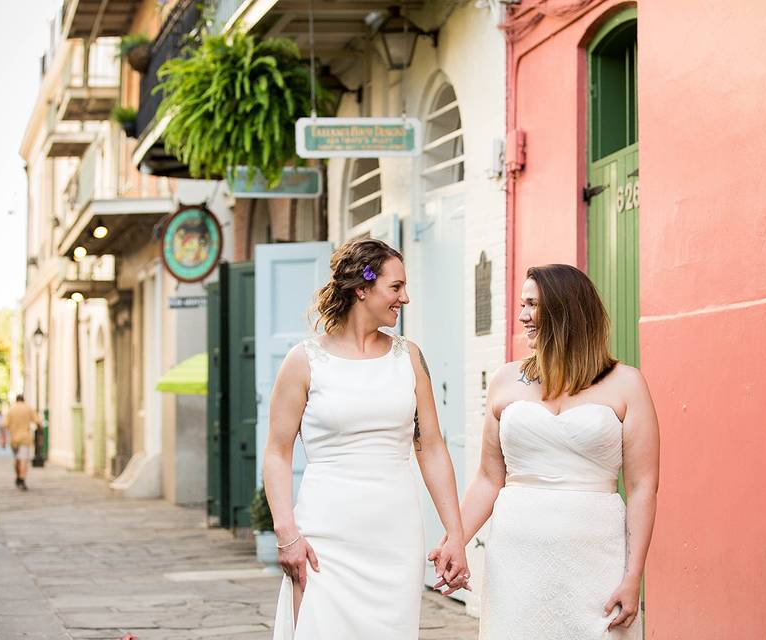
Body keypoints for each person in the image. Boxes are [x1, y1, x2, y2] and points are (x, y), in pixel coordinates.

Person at [431, 264, 659, 638]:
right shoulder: (506, 380)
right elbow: (489, 478)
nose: (523, 316)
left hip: (596, 552)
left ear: (565, 310)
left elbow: (642, 488)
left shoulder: (626, 384)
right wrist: (456, 538)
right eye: (522, 304)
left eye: (532, 305)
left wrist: (633, 576)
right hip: (517, 554)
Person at [263, 239, 468, 639]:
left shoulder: (409, 357)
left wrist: (455, 535)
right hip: (325, 536)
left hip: (394, 535)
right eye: (396, 287)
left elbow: (432, 448)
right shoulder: (304, 361)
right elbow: (276, 452)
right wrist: (286, 533)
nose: (405, 298)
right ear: (362, 288)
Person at [3, 395, 42, 490]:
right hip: (25, 438)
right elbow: (38, 421)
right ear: (23, 400)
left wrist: (4, 438)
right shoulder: (28, 408)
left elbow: (4, 425)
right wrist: (40, 433)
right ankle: (22, 478)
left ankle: (18, 477)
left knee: (17, 459)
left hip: (14, 439)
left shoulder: (11, 410)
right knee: (23, 459)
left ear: (16, 400)